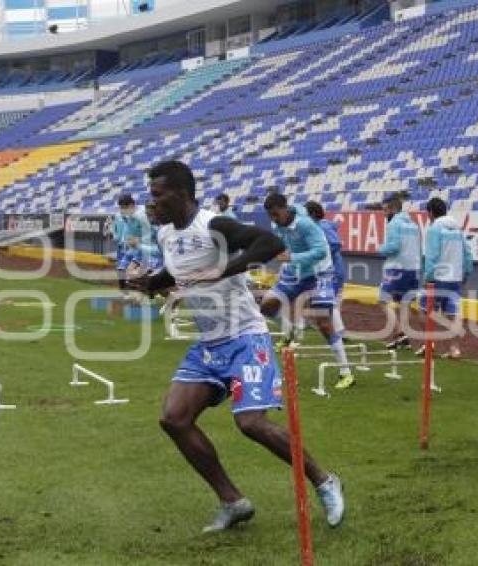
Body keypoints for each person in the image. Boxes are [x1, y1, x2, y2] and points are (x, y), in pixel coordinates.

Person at [127, 161, 344, 532]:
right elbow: (176, 274)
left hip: (246, 338)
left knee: (251, 423)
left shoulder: (212, 225)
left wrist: (223, 270)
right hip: (210, 345)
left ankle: (324, 481)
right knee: (174, 419)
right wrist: (146, 283)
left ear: (180, 194)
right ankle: (233, 502)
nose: (153, 202)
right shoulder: (166, 235)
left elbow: (270, 243)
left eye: (158, 195)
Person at [261, 194, 355, 389]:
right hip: (294, 273)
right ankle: (292, 330)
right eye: (271, 216)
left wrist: (292, 257)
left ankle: (346, 373)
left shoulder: (306, 225)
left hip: (319, 273)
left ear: (285, 209)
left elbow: (321, 251)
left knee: (322, 321)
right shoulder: (277, 225)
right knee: (267, 304)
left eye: (276, 214)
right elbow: (282, 246)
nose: (274, 219)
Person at [421, 197, 472, 359]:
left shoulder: (434, 229)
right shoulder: (458, 229)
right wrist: (466, 273)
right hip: (455, 278)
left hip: (438, 278)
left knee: (424, 309)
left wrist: (428, 277)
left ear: (430, 213)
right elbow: (467, 253)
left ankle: (430, 343)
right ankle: (454, 349)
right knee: (453, 313)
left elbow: (431, 256)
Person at [377, 195, 422, 350]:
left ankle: (400, 334)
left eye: (385, 210)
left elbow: (393, 247)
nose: (384, 214)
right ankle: (403, 336)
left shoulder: (394, 223)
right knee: (405, 304)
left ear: (392, 208)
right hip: (413, 268)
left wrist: (380, 248)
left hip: (396, 267)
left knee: (383, 301)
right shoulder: (413, 224)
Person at [305, 200, 347, 338]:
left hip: (332, 270)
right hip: (329, 269)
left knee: (330, 301)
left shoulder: (323, 227)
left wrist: (317, 252)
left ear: (312, 214)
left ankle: (340, 332)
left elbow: (335, 244)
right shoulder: (319, 226)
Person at [112, 194, 147, 289]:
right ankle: (124, 293)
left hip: (142, 249)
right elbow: (124, 230)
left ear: (131, 205)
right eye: (121, 208)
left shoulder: (142, 214)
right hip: (129, 248)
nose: (122, 210)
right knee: (121, 270)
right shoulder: (125, 215)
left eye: (124, 207)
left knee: (134, 273)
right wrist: (121, 239)